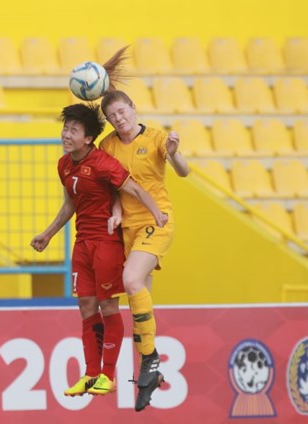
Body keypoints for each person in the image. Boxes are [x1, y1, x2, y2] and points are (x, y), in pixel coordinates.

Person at [31, 103, 167, 397]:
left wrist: (156, 213)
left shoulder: (104, 163)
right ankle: (91, 374)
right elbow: (70, 204)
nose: (66, 134)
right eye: (65, 128)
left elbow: (134, 189)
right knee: (85, 307)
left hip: (106, 243)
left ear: (88, 138)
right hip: (82, 244)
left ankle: (108, 375)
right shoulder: (64, 164)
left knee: (108, 306)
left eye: (73, 130)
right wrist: (47, 234)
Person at [99, 47, 191, 412]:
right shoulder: (108, 145)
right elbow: (113, 187)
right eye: (112, 115)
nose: (119, 118)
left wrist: (175, 151)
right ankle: (147, 374)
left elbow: (182, 172)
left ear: (134, 109)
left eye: (122, 111)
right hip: (129, 230)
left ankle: (151, 360)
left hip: (158, 220)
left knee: (131, 281)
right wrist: (117, 211)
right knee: (142, 300)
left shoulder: (155, 137)